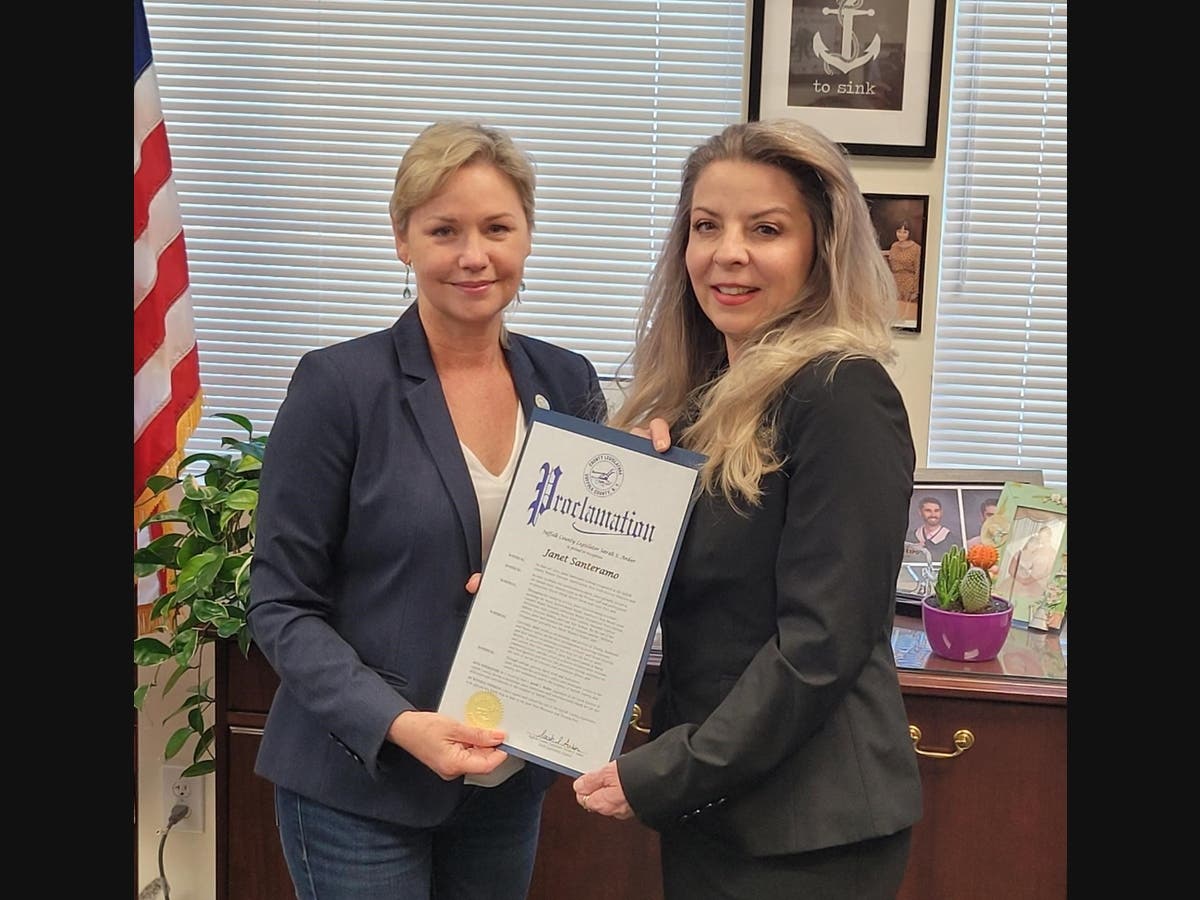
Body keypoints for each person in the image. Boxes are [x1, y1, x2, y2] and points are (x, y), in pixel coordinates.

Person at [246, 120, 606, 900]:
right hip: (361, 781)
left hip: (505, 779)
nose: (473, 255)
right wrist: (400, 725)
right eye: (444, 230)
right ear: (402, 239)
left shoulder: (568, 381)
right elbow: (281, 604)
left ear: (528, 238)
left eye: (497, 228)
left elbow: (592, 566)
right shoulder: (338, 388)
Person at [571, 119, 921, 899]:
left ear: (818, 248)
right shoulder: (697, 408)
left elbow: (822, 644)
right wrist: (620, 499)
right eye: (706, 226)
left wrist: (670, 770)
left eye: (765, 228)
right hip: (720, 811)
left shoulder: (841, 394)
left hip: (807, 834)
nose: (728, 252)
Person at [886, 221, 921, 319]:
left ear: (909, 233)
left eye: (904, 232)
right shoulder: (894, 246)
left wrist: (915, 290)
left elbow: (918, 269)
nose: (901, 234)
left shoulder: (916, 248)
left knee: (906, 315)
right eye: (899, 231)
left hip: (908, 285)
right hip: (895, 283)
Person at [913, 495, 956, 561]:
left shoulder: (953, 540)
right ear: (920, 512)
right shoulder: (910, 537)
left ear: (941, 512)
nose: (933, 514)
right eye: (928, 511)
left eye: (936, 511)